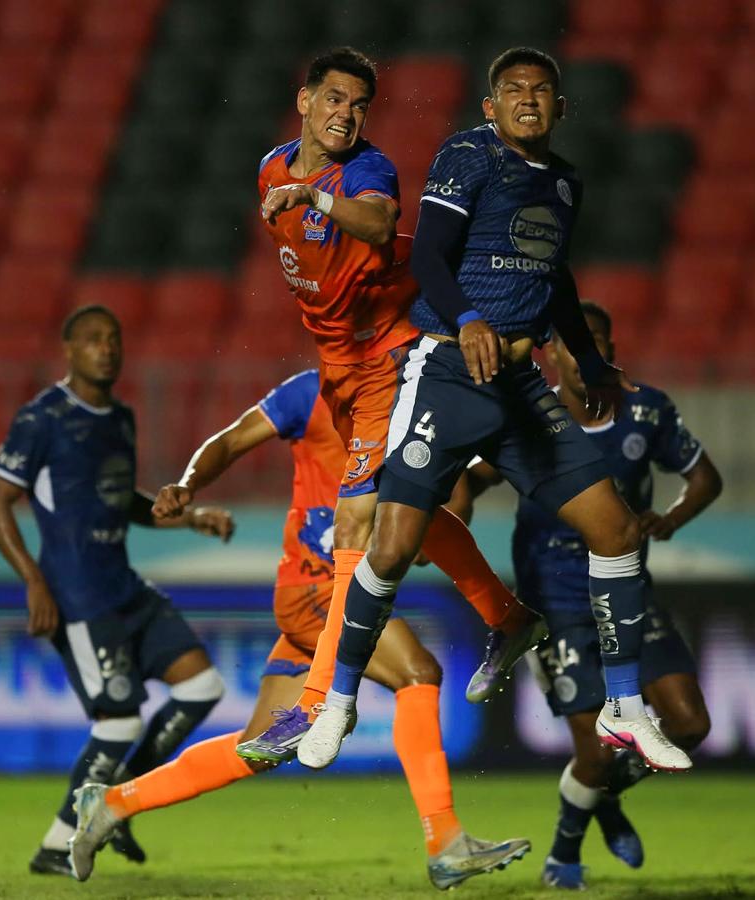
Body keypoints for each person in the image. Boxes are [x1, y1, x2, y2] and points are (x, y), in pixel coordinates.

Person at [297, 47, 692, 773]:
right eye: (513, 90)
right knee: (389, 551)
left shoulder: (565, 184)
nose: (529, 100)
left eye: (542, 91)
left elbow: (556, 279)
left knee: (616, 531)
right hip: (447, 368)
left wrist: (590, 359)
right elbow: (429, 259)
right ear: (492, 106)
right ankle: (337, 704)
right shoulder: (466, 156)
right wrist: (472, 318)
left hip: (519, 385)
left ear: (560, 108)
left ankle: (625, 707)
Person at [208, 46, 544, 763]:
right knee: (407, 516)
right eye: (334, 99)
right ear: (304, 101)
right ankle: (508, 618)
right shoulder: (272, 169)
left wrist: (320, 200)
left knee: (361, 515)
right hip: (341, 363)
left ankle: (322, 701)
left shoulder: (365, 171)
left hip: (392, 353)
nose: (346, 114)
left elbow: (375, 218)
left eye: (359, 105)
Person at [66, 369, 529, 889]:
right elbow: (233, 438)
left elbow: (450, 488)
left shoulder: (415, 395)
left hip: (335, 593)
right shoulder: (310, 392)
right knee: (417, 673)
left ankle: (107, 805)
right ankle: (444, 840)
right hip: (316, 589)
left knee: (259, 747)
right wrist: (188, 485)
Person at [448, 301, 719, 890]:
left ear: (610, 351)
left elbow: (705, 478)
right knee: (593, 754)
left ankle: (600, 799)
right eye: (575, 341)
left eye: (598, 341)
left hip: (629, 596)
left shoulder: (647, 410)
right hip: (557, 602)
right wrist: (449, 499)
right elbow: (472, 475)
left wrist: (668, 520)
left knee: (690, 724)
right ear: (553, 353)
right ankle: (565, 853)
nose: (588, 353)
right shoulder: (527, 414)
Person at [0, 305, 234, 876]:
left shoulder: (121, 418)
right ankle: (57, 842)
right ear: (68, 350)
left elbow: (123, 500)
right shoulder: (41, 418)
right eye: (93, 340)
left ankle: (117, 800)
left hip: (123, 586)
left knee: (201, 686)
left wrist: (192, 518)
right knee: (118, 722)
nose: (106, 348)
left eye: (114, 339)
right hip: (77, 596)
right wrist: (34, 583)